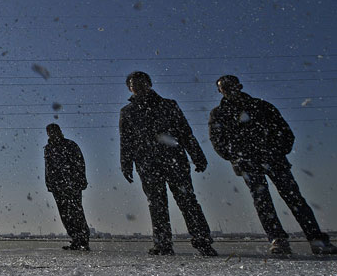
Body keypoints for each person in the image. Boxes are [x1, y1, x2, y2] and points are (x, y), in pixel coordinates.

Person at [208, 75, 337, 255]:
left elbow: (284, 131)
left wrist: (277, 151)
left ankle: (316, 240)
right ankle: (278, 239)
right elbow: (217, 141)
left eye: (231, 86)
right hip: (247, 164)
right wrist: (236, 158)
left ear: (239, 86)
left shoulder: (261, 106)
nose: (229, 90)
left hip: (273, 160)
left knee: (294, 199)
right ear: (220, 91)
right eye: (224, 88)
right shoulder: (219, 114)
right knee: (262, 201)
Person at [119, 71, 217, 256]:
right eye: (133, 84)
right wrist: (126, 164)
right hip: (147, 164)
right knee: (156, 204)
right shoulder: (128, 112)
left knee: (187, 201)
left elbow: (185, 132)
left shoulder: (168, 105)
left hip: (174, 160)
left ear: (149, 84)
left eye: (141, 83)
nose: (138, 87)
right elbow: (126, 141)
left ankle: (203, 242)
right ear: (130, 88)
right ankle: (163, 244)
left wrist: (197, 155)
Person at [44, 124, 90, 251]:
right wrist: (49, 183)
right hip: (57, 186)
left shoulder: (70, 145)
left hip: (72, 184)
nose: (52, 134)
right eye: (50, 132)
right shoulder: (48, 148)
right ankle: (75, 239)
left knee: (76, 212)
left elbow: (80, 163)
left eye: (54, 131)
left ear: (59, 131)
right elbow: (48, 168)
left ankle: (83, 240)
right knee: (65, 214)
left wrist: (80, 179)